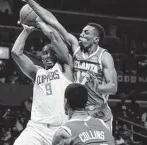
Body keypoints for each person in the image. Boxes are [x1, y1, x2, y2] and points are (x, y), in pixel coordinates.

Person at [21, 0, 118, 131]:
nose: (81, 34)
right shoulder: (75, 48)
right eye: (82, 32)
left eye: (86, 33)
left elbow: (113, 87)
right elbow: (54, 23)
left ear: (96, 39)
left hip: (99, 113)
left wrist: (97, 87)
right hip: (79, 113)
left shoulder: (104, 57)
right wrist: (31, 3)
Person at [11, 20, 73, 144]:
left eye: (52, 52)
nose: (49, 55)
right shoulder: (37, 72)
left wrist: (41, 23)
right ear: (41, 57)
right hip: (36, 128)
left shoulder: (66, 67)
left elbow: (55, 37)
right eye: (45, 53)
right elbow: (16, 53)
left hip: (60, 130)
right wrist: (26, 31)